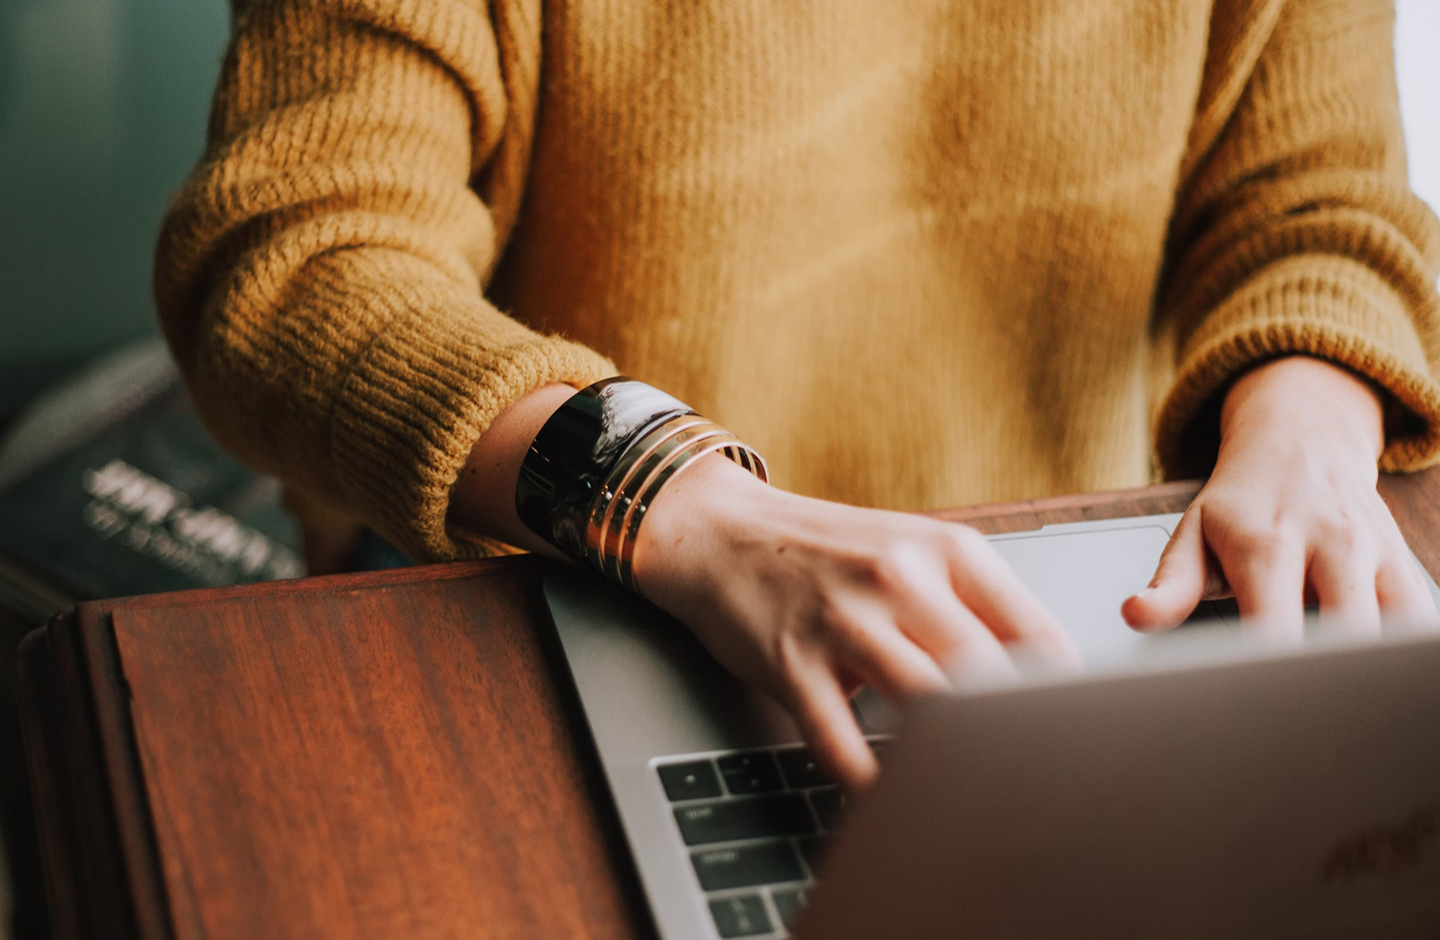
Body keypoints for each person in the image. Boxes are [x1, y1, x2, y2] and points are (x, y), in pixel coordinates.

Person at [154, 0, 1440, 789]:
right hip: (571, 579)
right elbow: (294, 256)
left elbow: (1318, 202)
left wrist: (1312, 423)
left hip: (1071, 618)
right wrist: (680, 501)